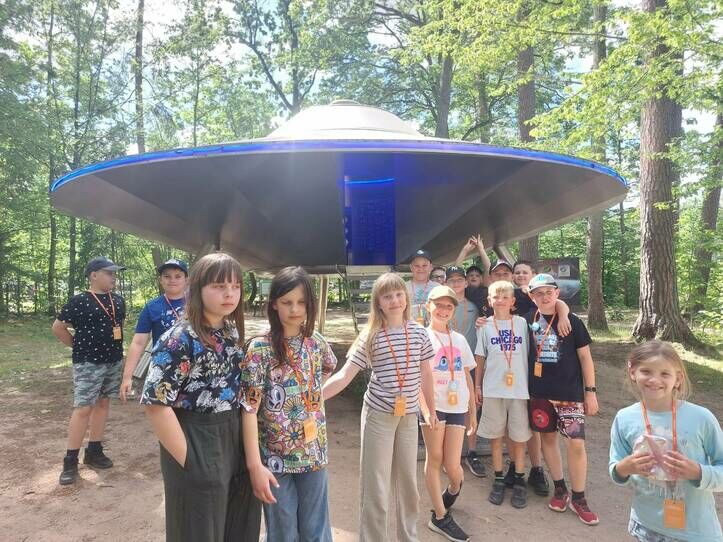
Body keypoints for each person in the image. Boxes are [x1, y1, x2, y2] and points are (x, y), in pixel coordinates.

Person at [141, 252, 261, 542]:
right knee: (198, 530)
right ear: (197, 289)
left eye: (235, 286)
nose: (229, 293)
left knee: (238, 524)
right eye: (219, 286)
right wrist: (191, 462)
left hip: (234, 435)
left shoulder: (231, 332)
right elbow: (156, 404)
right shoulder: (178, 339)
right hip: (195, 436)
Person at [323, 272, 437, 542]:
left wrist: (430, 410)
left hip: (408, 416)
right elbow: (345, 375)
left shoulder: (419, 332)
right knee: (376, 485)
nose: (394, 300)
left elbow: (426, 373)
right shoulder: (370, 336)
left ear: (406, 298)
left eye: (398, 294)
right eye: (387, 296)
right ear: (378, 303)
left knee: (408, 483)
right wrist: (313, 398)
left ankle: (408, 537)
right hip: (378, 416)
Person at [240, 267, 337, 542]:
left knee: (316, 531)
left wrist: (310, 396)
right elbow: (248, 409)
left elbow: (329, 365)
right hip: (275, 459)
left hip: (314, 454)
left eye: (301, 302)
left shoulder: (315, 342)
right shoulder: (259, 349)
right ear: (274, 304)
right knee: (283, 532)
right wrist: (254, 465)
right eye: (287, 302)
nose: (295, 309)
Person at [610, 340, 723, 542]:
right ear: (633, 372)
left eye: (664, 373)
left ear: (678, 379)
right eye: (646, 371)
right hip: (645, 527)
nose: (655, 380)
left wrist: (698, 472)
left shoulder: (701, 418)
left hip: (695, 532)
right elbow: (616, 467)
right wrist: (625, 467)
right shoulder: (624, 418)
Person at [526, 273, 600, 525]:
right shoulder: (527, 320)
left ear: (557, 293)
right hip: (539, 393)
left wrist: (590, 392)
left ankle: (579, 498)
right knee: (548, 440)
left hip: (569, 394)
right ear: (532, 297)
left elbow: (585, 358)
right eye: (539, 293)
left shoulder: (573, 321)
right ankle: (560, 489)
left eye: (549, 292)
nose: (545, 297)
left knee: (575, 444)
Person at [52, 256, 127, 486]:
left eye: (115, 273)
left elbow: (119, 326)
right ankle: (70, 461)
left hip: (113, 360)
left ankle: (94, 451)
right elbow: (58, 327)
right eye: (109, 273)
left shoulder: (118, 300)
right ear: (94, 275)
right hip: (88, 362)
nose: (114, 277)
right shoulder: (79, 301)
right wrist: (76, 346)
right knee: (84, 407)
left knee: (103, 403)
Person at [422, 285, 477, 542]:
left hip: (457, 407)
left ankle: (454, 488)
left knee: (453, 465)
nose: (443, 310)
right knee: (435, 458)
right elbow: (418, 378)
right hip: (434, 407)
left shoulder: (460, 340)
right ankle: (440, 517)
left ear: (454, 310)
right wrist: (427, 410)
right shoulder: (422, 337)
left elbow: (467, 375)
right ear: (428, 306)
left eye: (449, 306)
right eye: (439, 305)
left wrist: (473, 413)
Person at [475, 280, 533, 508]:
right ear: (489, 301)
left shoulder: (521, 323)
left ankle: (519, 478)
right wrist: (477, 386)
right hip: (493, 389)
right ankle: (498, 478)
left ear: (513, 301)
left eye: (505, 297)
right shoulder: (484, 326)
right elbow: (480, 357)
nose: (500, 300)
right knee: (495, 436)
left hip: (519, 390)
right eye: (495, 297)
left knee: (519, 437)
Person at [120, 259, 188, 401]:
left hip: (194, 368)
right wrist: (127, 377)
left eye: (178, 276)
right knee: (161, 410)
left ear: (186, 279)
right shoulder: (152, 307)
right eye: (167, 276)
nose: (172, 280)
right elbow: (138, 343)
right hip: (164, 368)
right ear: (160, 280)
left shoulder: (199, 303)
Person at [446, 265, 485, 478]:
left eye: (459, 279)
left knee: (472, 406)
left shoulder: (474, 306)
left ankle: (472, 452)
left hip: (469, 364)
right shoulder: (442, 305)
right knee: (447, 406)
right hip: (445, 365)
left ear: (466, 282)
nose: (456, 283)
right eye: (451, 280)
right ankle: (448, 454)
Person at [455, 235, 491, 316]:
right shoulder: (463, 290)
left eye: (477, 276)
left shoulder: (485, 288)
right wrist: (465, 250)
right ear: (465, 279)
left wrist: (481, 249)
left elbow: (488, 267)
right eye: (471, 275)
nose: (474, 277)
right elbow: (456, 270)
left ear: (482, 279)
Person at [406, 249, 437, 326]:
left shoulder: (438, 288)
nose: (421, 269)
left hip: (432, 329)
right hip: (408, 329)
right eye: (417, 266)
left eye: (424, 265)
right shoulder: (403, 287)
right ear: (411, 267)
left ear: (431, 267)